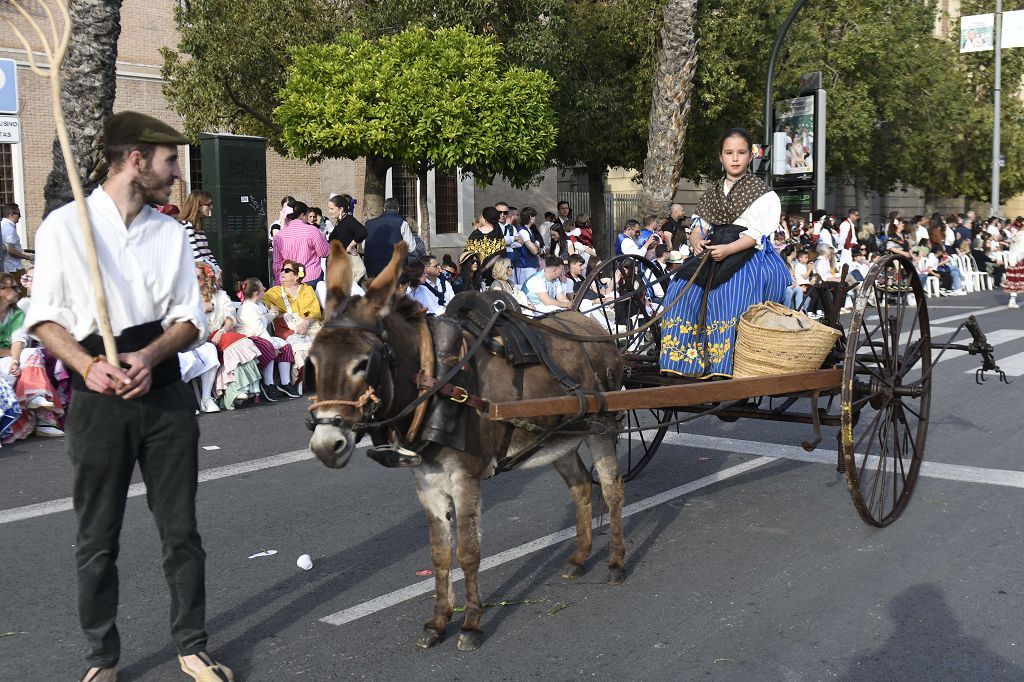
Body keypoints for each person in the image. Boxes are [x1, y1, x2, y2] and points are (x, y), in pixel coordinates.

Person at [26, 112, 233, 682]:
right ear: (136, 159)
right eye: (170, 160)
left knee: (181, 532)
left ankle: (192, 646)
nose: (177, 173)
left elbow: (189, 319)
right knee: (97, 537)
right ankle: (103, 659)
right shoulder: (64, 227)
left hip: (163, 394)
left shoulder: (170, 233)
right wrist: (86, 365)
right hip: (97, 398)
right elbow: (44, 318)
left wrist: (150, 356)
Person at [660, 127, 790, 378]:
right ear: (721, 157)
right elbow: (699, 227)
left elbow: (756, 235)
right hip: (713, 250)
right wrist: (697, 241)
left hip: (747, 251)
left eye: (741, 152)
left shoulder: (764, 194)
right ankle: (682, 362)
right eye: (729, 153)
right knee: (680, 287)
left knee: (728, 294)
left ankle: (722, 366)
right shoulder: (713, 192)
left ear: (750, 156)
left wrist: (729, 249)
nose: (735, 158)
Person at [0, 271, 64, 439]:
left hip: (9, 358)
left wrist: (14, 361)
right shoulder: (25, 304)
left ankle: (36, 400)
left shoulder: (16, 313)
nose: (18, 290)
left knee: (32, 352)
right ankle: (44, 420)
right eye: (14, 287)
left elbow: (18, 340)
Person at [198, 264, 262, 409]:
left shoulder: (220, 295)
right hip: (200, 338)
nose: (194, 280)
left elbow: (230, 319)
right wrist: (202, 309)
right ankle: (237, 388)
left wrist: (221, 331)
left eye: (198, 277)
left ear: (206, 278)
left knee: (239, 339)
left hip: (220, 332)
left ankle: (241, 387)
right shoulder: (189, 297)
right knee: (235, 341)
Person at [262, 259, 322, 392]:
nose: (282, 272)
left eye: (287, 270)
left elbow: (315, 311)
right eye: (282, 270)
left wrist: (306, 322)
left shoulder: (306, 289)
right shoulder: (274, 292)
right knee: (301, 348)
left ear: (296, 276)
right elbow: (258, 299)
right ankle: (299, 380)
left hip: (310, 325)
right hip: (287, 328)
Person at [272, 199, 330, 290]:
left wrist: (278, 281)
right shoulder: (312, 230)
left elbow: (277, 263)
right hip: (311, 277)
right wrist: (324, 239)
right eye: (307, 215)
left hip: (289, 278)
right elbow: (323, 253)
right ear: (302, 215)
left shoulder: (279, 236)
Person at [326, 193, 367, 286]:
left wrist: (350, 246)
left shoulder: (348, 220)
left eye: (332, 209)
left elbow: (362, 232)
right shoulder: (340, 221)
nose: (329, 211)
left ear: (340, 209)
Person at [178, 191, 220, 275]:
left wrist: (218, 269)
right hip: (197, 275)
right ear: (198, 206)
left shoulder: (198, 227)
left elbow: (207, 251)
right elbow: (195, 254)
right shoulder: (187, 225)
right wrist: (213, 270)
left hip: (207, 272)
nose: (211, 207)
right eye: (208, 204)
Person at [363, 197, 406, 279]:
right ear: (398, 209)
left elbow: (364, 246)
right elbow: (411, 247)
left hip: (373, 269)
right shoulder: (402, 223)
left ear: (384, 209)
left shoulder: (369, 224)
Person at [466, 207, 507, 286]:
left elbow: (468, 254)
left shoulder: (475, 234)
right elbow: (500, 254)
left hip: (478, 273)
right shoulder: (498, 233)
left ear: (484, 217)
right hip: (495, 273)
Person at [513, 207, 543, 285]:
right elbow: (534, 251)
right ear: (530, 217)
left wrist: (537, 247)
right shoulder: (523, 231)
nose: (535, 218)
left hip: (530, 265)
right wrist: (537, 247)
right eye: (534, 216)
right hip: (525, 266)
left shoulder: (529, 230)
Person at [1, 203, 32, 273]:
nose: (20, 216)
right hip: (13, 267)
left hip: (9, 266)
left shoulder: (3, 224)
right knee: (27, 279)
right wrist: (28, 257)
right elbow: (10, 250)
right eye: (18, 214)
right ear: (11, 214)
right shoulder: (9, 228)